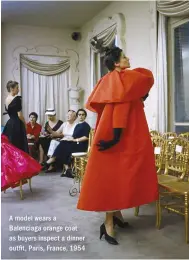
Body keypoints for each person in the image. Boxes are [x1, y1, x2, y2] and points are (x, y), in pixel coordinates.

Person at [77, 47, 158, 245]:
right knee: (113, 178)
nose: (128, 58)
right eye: (123, 57)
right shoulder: (122, 79)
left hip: (114, 131)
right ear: (116, 63)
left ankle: (117, 216)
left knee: (115, 176)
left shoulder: (112, 79)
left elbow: (132, 97)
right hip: (119, 134)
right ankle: (108, 223)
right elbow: (121, 109)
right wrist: (115, 138)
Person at [46, 109, 90, 177]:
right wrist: (71, 138)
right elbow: (74, 136)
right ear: (77, 116)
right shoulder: (78, 125)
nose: (81, 116)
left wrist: (75, 140)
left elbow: (86, 137)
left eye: (83, 115)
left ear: (85, 116)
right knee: (64, 143)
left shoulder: (86, 125)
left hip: (81, 145)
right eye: (79, 114)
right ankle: (67, 169)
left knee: (63, 145)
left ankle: (54, 158)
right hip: (75, 143)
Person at [3, 80, 28, 153]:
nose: (18, 89)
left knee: (11, 146)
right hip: (17, 124)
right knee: (19, 146)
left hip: (9, 124)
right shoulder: (17, 99)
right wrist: (25, 124)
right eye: (17, 88)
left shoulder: (6, 99)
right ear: (11, 88)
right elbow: (20, 115)